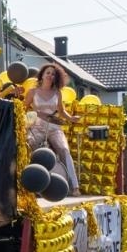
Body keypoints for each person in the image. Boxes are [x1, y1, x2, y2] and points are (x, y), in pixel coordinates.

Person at [26, 63, 80, 194]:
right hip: (37, 126)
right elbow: (23, 107)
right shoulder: (32, 92)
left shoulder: (57, 93)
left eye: (53, 74)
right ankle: (33, 185)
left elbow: (62, 112)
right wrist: (33, 116)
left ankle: (74, 186)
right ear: (42, 75)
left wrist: (72, 118)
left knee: (64, 150)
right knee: (30, 145)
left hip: (54, 127)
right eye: (48, 73)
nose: (50, 75)